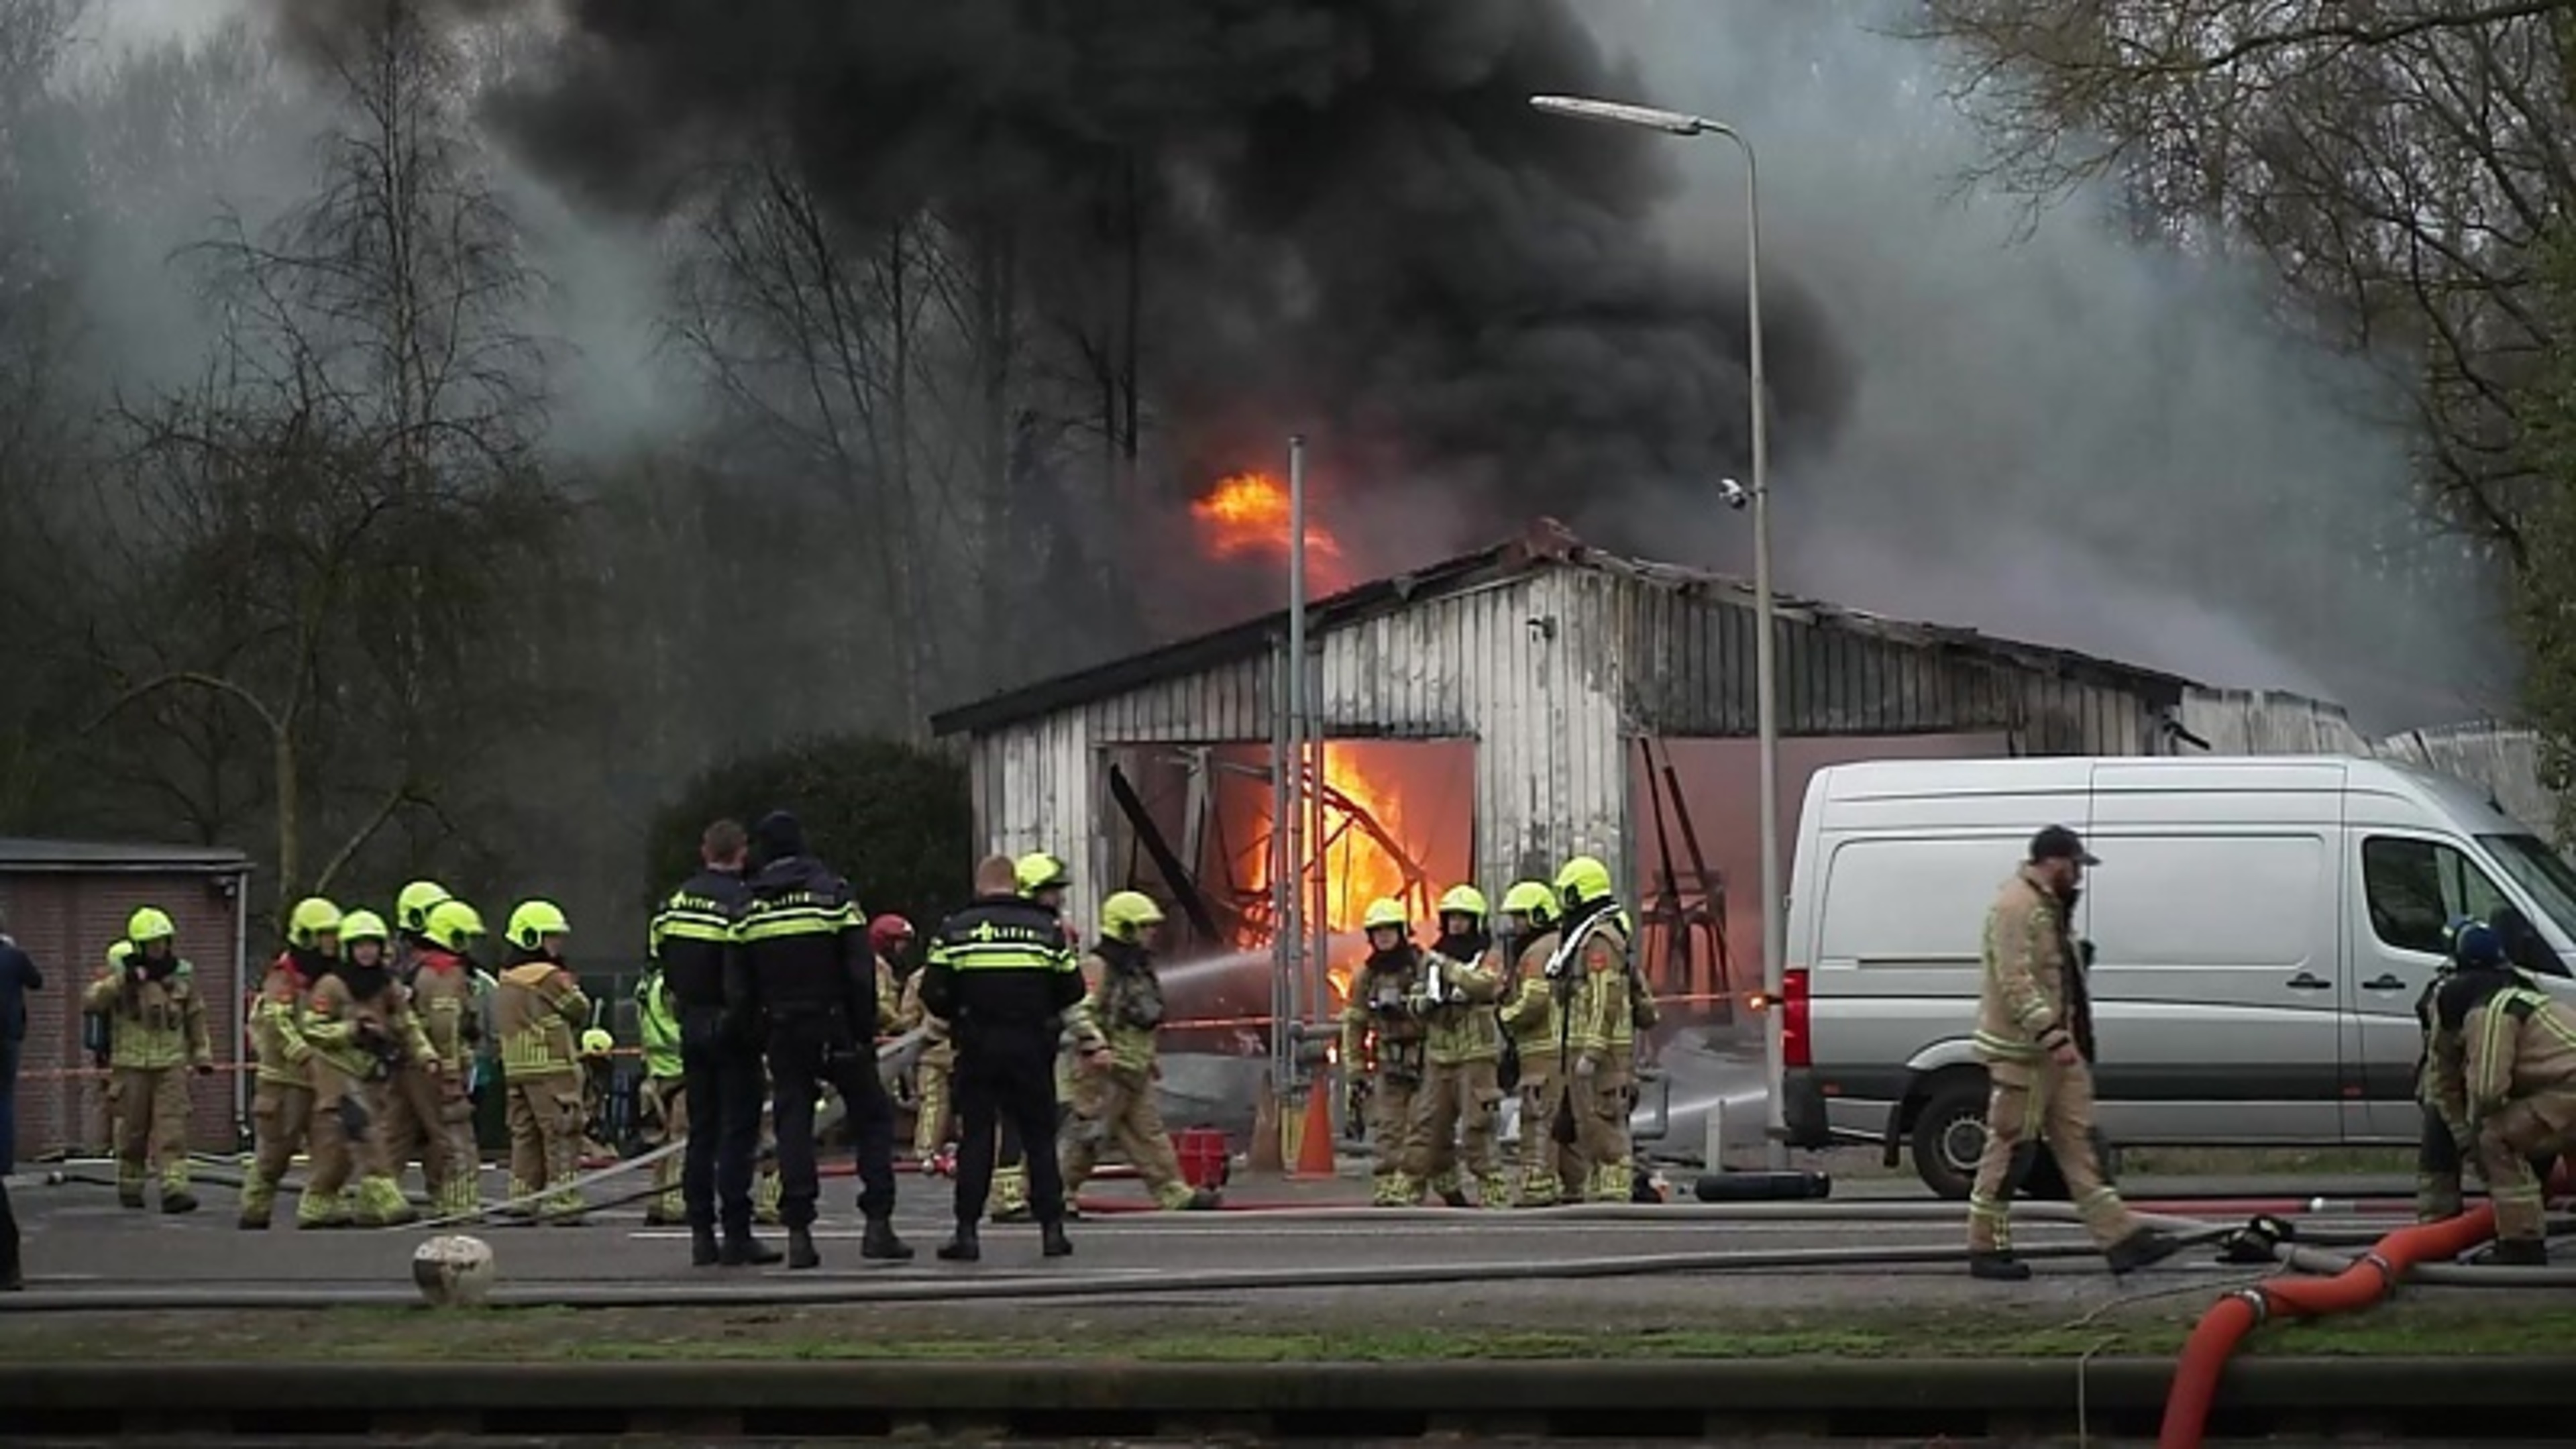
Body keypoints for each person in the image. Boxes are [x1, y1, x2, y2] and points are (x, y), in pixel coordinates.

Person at [1965, 827, 2180, 1280]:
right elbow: (2015, 980)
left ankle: (2119, 1238)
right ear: (2054, 862)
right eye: (2075, 866)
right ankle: (1987, 1247)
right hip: (2025, 1056)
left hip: (2055, 1054)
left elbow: (2053, 975)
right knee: (2010, 1152)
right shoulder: (2016, 907)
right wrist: (2052, 1035)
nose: (2079, 876)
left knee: (2079, 1145)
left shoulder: (2046, 907)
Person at [737, 810, 910, 1269]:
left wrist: (759, 1031)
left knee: (793, 1125)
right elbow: (858, 970)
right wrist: (861, 1029)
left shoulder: (750, 906)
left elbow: (742, 983)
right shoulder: (832, 895)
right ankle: (878, 1225)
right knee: (872, 1118)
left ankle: (799, 1232)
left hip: (782, 1029)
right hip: (836, 1026)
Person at [920, 852, 1090, 1261]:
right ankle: (1052, 1231)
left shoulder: (954, 929)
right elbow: (1073, 990)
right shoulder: (1046, 930)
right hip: (1032, 1046)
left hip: (977, 1046)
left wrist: (958, 1014)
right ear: (1015, 886)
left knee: (977, 1138)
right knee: (1039, 1139)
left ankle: (966, 1233)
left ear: (980, 886)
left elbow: (934, 991)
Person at [649, 819, 779, 1267]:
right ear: (742, 852)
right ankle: (737, 1234)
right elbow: (750, 970)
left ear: (704, 851)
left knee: (700, 1135)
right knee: (738, 1136)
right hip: (733, 1028)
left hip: (692, 1022)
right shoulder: (744, 903)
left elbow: (662, 959)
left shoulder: (674, 903)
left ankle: (701, 1235)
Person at [2422, 919, 2576, 1265]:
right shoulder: (2528, 997)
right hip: (2563, 1089)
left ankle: (2521, 1243)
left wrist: (2473, 1141)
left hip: (2566, 1090)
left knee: (2496, 1139)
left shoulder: (2489, 1012)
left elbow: (2488, 1089)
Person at [1057, 891, 1219, 1214]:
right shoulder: (1099, 967)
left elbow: (1140, 1019)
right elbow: (1080, 1012)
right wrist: (1096, 1047)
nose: (1151, 934)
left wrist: (1150, 1058)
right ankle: (1055, 1194)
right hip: (1103, 1072)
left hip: (1134, 1070)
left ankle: (1174, 1193)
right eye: (1144, 927)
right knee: (1087, 1139)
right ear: (1124, 928)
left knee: (1150, 1135)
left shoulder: (1138, 969)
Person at [299, 909, 434, 1228]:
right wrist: (350, 1030)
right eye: (359, 946)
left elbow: (406, 1024)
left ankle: (320, 1201)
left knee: (339, 1148)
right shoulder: (331, 986)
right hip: (337, 1072)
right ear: (349, 948)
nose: (366, 952)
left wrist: (425, 1053)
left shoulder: (387, 986)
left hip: (372, 1074)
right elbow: (312, 1029)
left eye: (372, 945)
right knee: (367, 1134)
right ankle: (387, 1198)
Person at [84, 908, 212, 1213]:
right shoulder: (121, 977)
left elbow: (196, 1015)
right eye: (152, 943)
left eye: (163, 942)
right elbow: (91, 1001)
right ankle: (131, 1185)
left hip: (170, 1064)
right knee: (132, 1131)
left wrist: (202, 1054)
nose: (159, 949)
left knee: (172, 1129)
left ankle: (174, 1188)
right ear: (139, 946)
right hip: (131, 1066)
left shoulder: (182, 976)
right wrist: (122, 981)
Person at [1551, 856, 1651, 1204]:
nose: (1563, 903)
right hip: (1582, 1051)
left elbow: (1605, 997)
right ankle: (1602, 1192)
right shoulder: (1584, 937)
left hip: (1604, 1057)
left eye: (1567, 895)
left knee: (1606, 1130)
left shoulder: (1600, 940)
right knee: (1589, 1128)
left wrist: (1592, 1051)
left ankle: (1615, 1196)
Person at [1408, 885, 1509, 1208]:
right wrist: (1424, 1004)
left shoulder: (1489, 956)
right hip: (1439, 1055)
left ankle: (1492, 1188)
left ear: (1476, 922)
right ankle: (1423, 1187)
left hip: (1477, 1054)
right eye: (1451, 918)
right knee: (1427, 1125)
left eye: (1463, 919)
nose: (1456, 925)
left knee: (1477, 1126)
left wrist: (1451, 968)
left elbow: (1486, 985)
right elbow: (1415, 996)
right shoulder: (1431, 959)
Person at [492, 900, 592, 1225]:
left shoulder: (506, 977)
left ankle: (523, 1197)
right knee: (562, 1131)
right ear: (531, 938)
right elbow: (579, 1008)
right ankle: (563, 1197)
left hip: (515, 1068)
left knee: (525, 1134)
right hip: (551, 1066)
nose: (558, 943)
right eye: (551, 937)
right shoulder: (547, 975)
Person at [240, 898, 337, 1228]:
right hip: (283, 1081)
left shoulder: (332, 979)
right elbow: (277, 1023)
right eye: (327, 935)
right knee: (275, 1153)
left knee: (330, 1147)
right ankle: (255, 1208)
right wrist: (304, 1054)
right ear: (309, 937)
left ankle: (318, 1209)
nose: (334, 943)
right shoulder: (284, 977)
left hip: (322, 1081)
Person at [1342, 897, 1432, 1207]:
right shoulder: (1366, 977)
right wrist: (1355, 1068)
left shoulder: (1423, 966)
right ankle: (1387, 1186)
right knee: (1388, 1129)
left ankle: (1413, 1184)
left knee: (1423, 1127)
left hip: (1425, 1061)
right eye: (1377, 932)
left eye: (1389, 931)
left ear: (1402, 931)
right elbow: (1354, 1024)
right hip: (1388, 1063)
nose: (1383, 937)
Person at [1495, 879, 1579, 1206]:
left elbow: (1534, 1001)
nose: (1515, 925)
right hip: (1560, 1052)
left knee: (1538, 1120)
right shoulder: (1558, 944)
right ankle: (1577, 1186)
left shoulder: (1537, 951)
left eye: (1520, 917)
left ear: (1539, 915)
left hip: (1542, 1055)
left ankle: (1537, 1187)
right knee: (1565, 1123)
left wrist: (1505, 1016)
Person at [407, 900, 488, 1219]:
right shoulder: (446, 974)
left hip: (422, 1068)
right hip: (441, 1069)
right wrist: (453, 1074)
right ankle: (459, 1202)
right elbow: (445, 1025)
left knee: (426, 1139)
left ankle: (441, 1197)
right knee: (458, 1140)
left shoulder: (422, 970)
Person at [897, 938, 957, 1174]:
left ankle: (925, 1150)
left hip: (930, 1050)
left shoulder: (918, 978)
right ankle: (971, 1150)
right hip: (964, 1051)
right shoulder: (967, 974)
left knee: (932, 1101)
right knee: (971, 1104)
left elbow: (908, 1017)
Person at [0, 904, 44, 1185]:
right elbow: (37, 982)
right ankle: (4, 1165)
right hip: (8, 1036)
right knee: (4, 1099)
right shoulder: (14, 957)